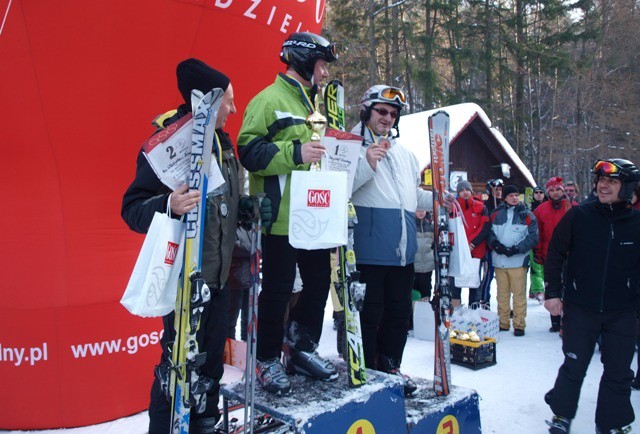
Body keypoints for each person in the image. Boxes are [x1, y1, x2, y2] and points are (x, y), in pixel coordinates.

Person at [122, 59, 244, 433]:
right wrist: (168, 204)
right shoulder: (168, 144)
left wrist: (248, 208)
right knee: (178, 368)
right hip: (185, 284)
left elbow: (225, 199)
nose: (234, 109)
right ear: (206, 101)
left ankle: (204, 424)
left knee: (209, 367)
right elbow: (131, 209)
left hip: (220, 279)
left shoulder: (221, 141)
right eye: (228, 101)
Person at [237, 32, 338, 395]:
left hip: (315, 214)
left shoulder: (313, 105)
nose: (325, 73)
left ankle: (300, 349)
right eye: (323, 64)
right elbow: (248, 152)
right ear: (302, 60)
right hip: (281, 216)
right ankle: (266, 360)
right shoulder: (268, 100)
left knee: (317, 284)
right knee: (278, 291)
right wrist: (295, 153)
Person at [350, 84, 436, 396]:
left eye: (393, 113)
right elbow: (340, 189)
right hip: (369, 250)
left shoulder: (405, 154)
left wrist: (439, 197)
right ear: (366, 111)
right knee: (370, 315)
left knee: (399, 315)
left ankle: (390, 365)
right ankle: (368, 370)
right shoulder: (351, 145)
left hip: (404, 252)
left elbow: (412, 197)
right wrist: (366, 163)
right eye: (382, 111)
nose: (388, 117)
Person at [544, 158, 640, 433]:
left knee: (619, 372)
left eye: (612, 181)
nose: (603, 185)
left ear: (627, 187)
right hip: (580, 308)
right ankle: (562, 415)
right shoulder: (579, 216)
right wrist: (553, 292)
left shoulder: (637, 223)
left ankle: (611, 423)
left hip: (622, 312)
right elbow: (555, 254)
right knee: (574, 364)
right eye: (601, 180)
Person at [487, 185, 538, 337]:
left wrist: (516, 249)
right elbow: (489, 232)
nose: (515, 198)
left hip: (518, 261)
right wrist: (496, 246)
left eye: (517, 195)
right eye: (511, 196)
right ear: (505, 197)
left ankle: (519, 324)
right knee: (502, 294)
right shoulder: (496, 214)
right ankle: (503, 323)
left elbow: (533, 237)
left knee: (519, 294)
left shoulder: (527, 215)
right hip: (500, 261)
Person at [533, 177, 575, 331]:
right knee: (552, 286)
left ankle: (567, 321)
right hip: (549, 254)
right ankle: (555, 321)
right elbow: (538, 233)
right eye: (552, 190)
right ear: (548, 192)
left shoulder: (572, 207)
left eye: (558, 189)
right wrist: (537, 251)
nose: (555, 193)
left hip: (571, 253)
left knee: (569, 288)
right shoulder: (540, 210)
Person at [451, 180, 490, 308]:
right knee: (456, 284)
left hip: (475, 250)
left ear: (471, 191)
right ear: (458, 193)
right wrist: (462, 246)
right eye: (462, 190)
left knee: (474, 283)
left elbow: (484, 227)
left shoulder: (481, 207)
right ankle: (455, 312)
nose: (465, 192)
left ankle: (474, 311)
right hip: (458, 251)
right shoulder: (452, 208)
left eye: (467, 189)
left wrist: (472, 243)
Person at [414, 209, 435, 300]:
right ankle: (413, 309)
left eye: (423, 210)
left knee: (426, 287)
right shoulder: (410, 225)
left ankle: (425, 309)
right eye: (418, 210)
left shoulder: (431, 225)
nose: (421, 212)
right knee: (413, 288)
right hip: (414, 263)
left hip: (427, 264)